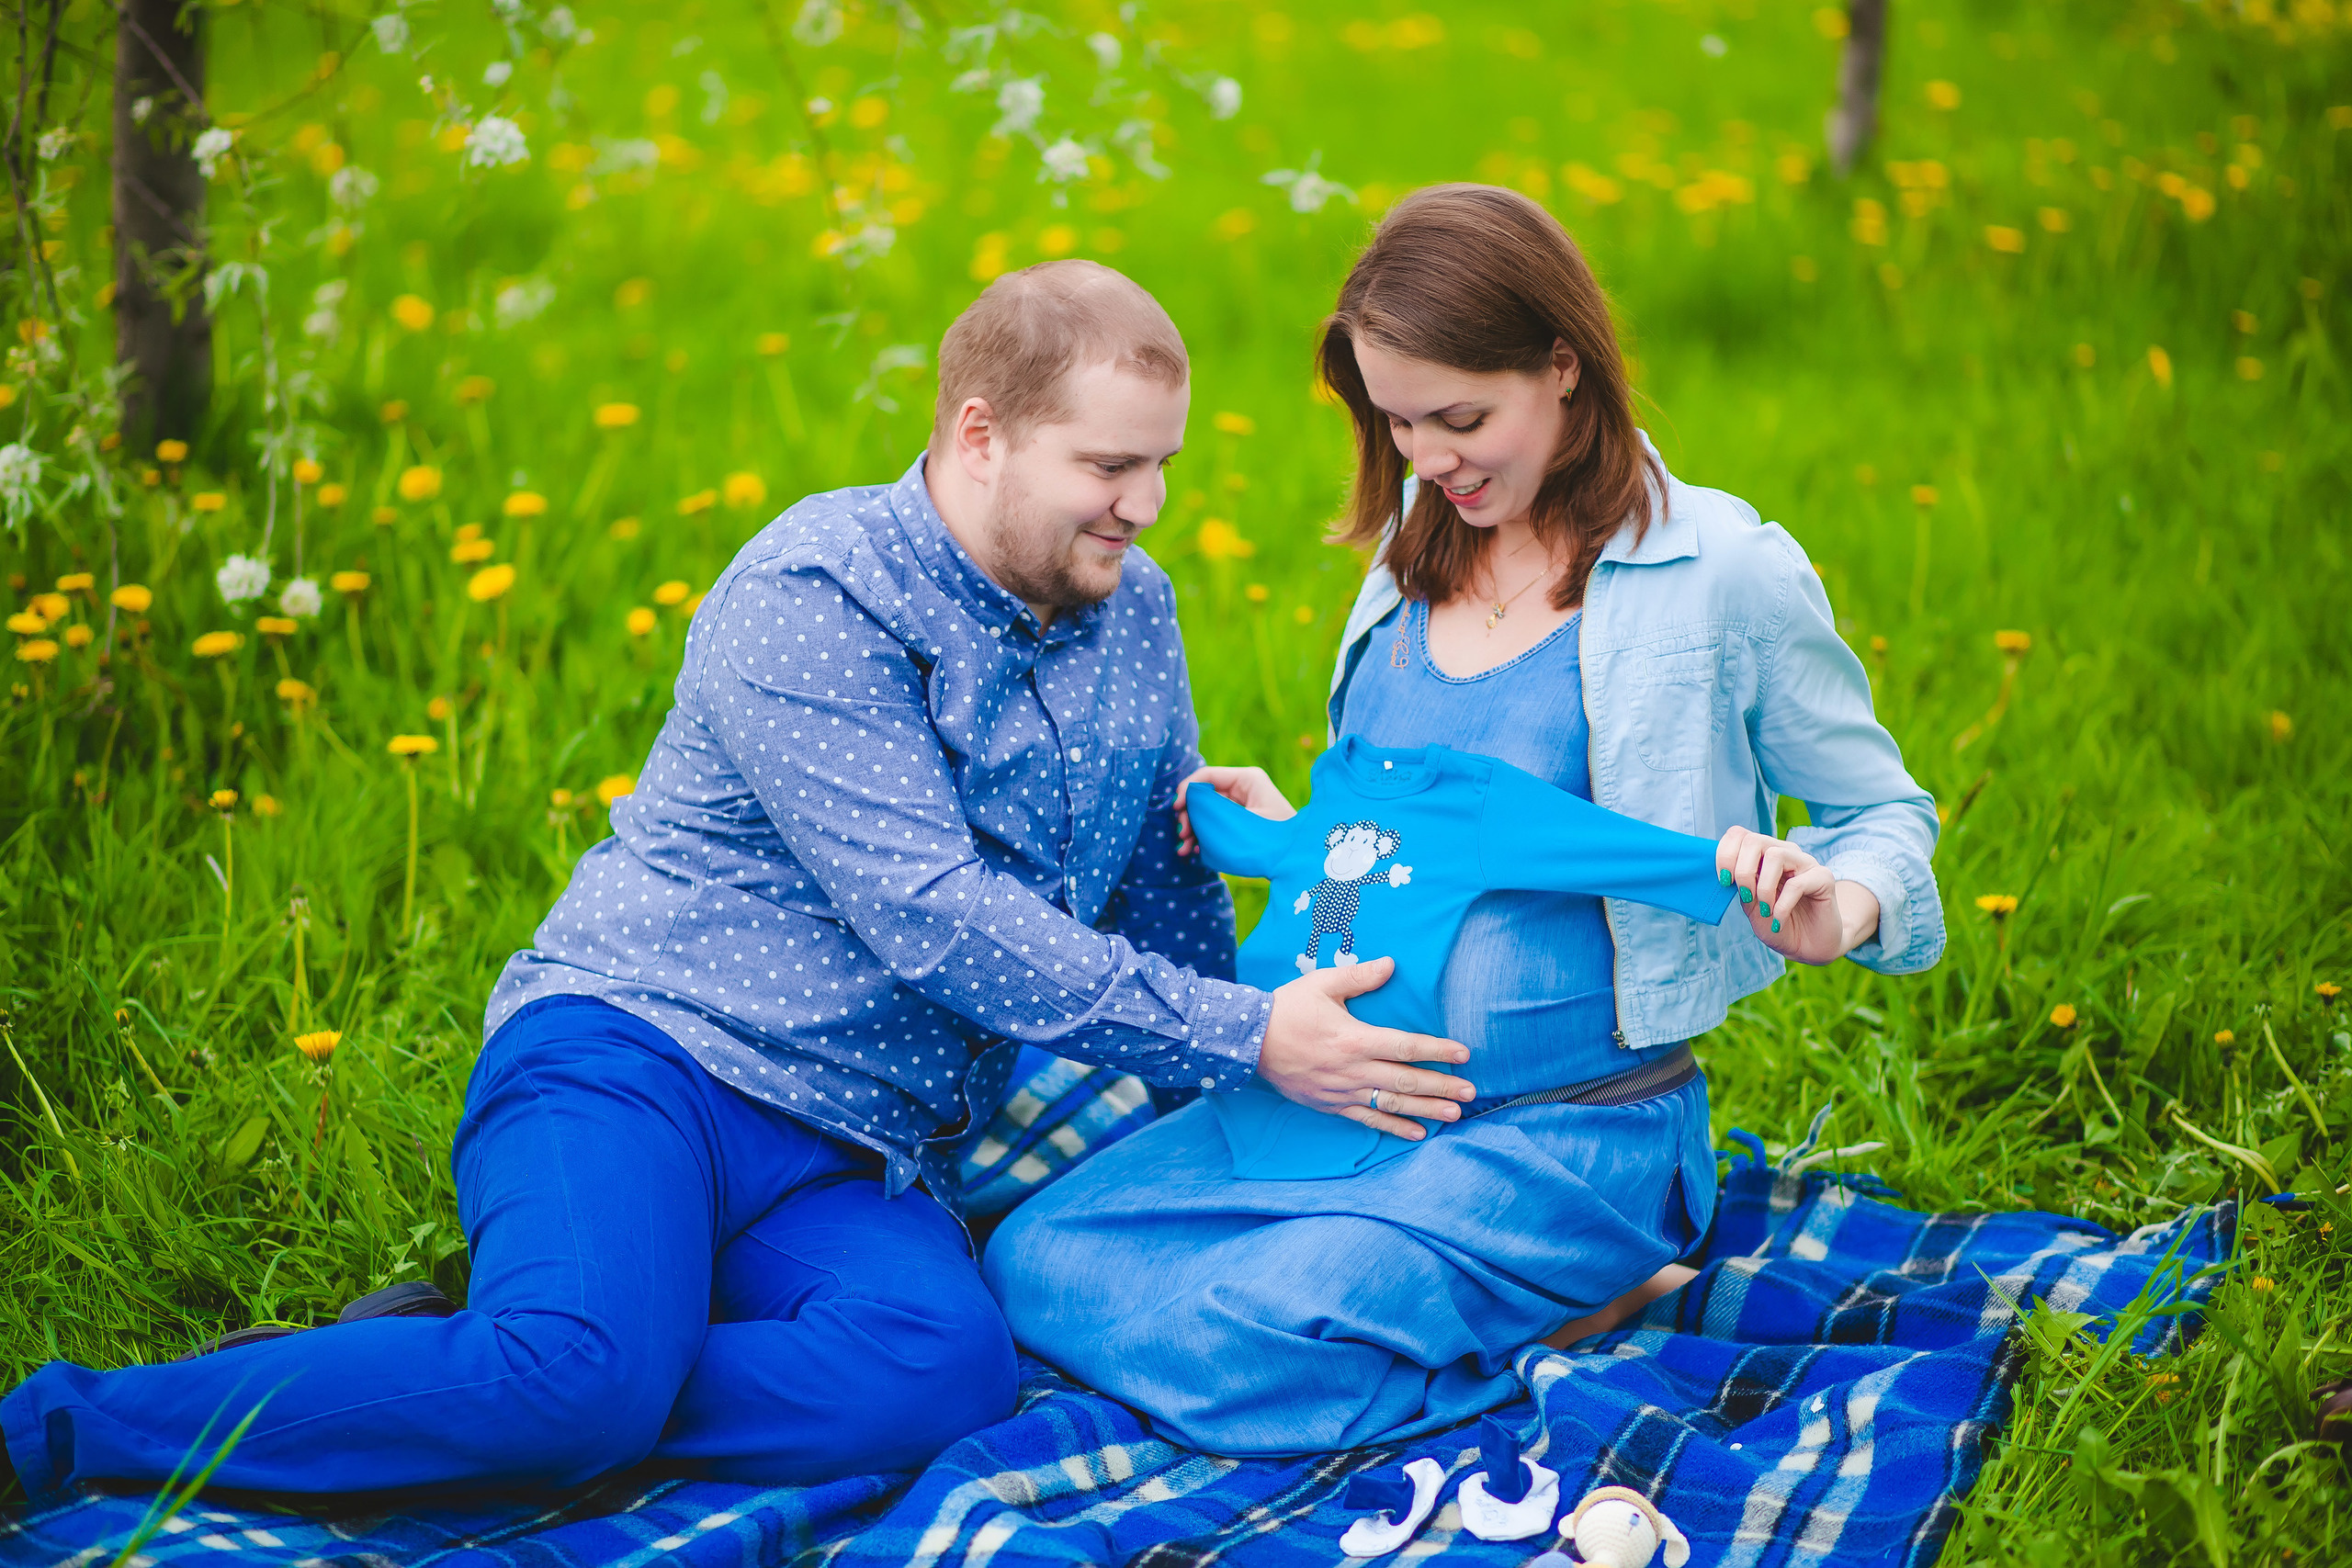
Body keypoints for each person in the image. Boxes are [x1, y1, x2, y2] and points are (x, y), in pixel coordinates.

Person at [0, 260, 1478, 1500]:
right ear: (980, 437)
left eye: (1164, 463)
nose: (1146, 503)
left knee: (939, 1374)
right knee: (573, 1385)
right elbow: (933, 916)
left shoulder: (1130, 609)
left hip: (858, 1140)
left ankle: (521, 1346)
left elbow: (1157, 909)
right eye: (1108, 465)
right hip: (642, 1059)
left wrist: (1274, 1091)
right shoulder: (816, 592)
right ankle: (69, 1430)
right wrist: (1240, 1037)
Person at [984, 186, 1948, 1457]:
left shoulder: (1721, 572)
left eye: (1462, 417)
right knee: (1034, 1259)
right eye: (1397, 422)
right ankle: (1438, 1308)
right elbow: (1382, 835)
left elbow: (1882, 809)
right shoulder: (1403, 565)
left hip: (1565, 1133)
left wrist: (1848, 905)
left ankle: (1570, 1305)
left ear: (1564, 366)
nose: (1430, 458)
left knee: (1262, 1328)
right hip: (1346, 1103)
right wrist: (1312, 839)